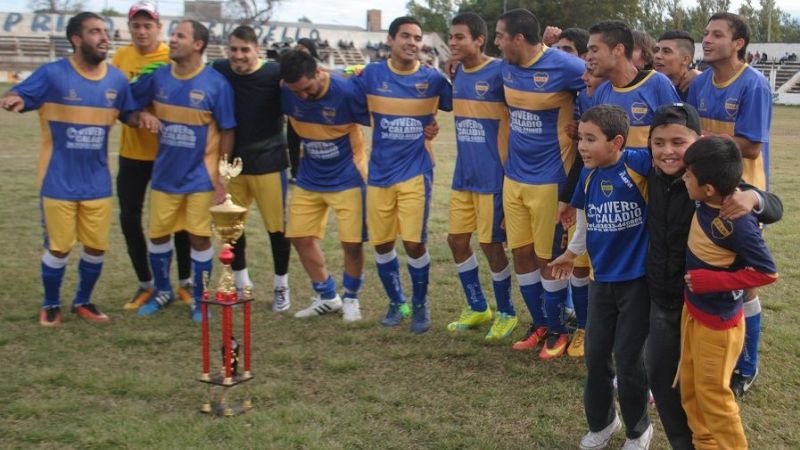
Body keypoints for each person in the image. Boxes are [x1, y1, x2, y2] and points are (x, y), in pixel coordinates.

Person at [0, 12, 159, 326]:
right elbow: (17, 94)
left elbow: (127, 113)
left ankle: (84, 301)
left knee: (96, 247)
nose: (104, 37)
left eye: (105, 31)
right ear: (76, 39)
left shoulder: (116, 80)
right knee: (58, 249)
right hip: (57, 179)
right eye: (95, 31)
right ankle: (51, 304)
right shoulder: (52, 74)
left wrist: (141, 117)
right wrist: (13, 99)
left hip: (97, 182)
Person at [645, 102, 782, 450]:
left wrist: (753, 197)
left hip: (711, 314)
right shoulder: (652, 170)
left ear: (698, 142)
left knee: (710, 392)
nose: (667, 151)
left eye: (679, 142)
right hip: (668, 301)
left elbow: (772, 208)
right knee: (671, 381)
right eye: (658, 142)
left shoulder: (717, 188)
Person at [549, 105, 653, 449]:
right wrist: (571, 253)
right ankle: (603, 423)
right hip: (600, 280)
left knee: (628, 358)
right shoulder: (587, 174)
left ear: (617, 142)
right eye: (581, 138)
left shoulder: (638, 164)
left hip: (636, 280)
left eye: (591, 139)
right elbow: (584, 220)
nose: (581, 146)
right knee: (595, 356)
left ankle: (639, 430)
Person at [686, 12, 773, 397]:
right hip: (704, 194)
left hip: (741, 196)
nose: (706, 40)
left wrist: (703, 137)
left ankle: (747, 364)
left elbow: (751, 146)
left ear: (738, 43)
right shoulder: (699, 83)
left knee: (744, 284)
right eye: (705, 33)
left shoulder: (754, 85)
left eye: (716, 34)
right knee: (705, 271)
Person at [350, 16, 452, 333]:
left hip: (416, 171)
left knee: (414, 243)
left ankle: (420, 305)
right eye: (405, 36)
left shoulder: (433, 80)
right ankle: (397, 302)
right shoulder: (371, 75)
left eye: (417, 38)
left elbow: (465, 102)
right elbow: (343, 93)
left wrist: (433, 127)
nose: (412, 42)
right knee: (381, 243)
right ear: (390, 40)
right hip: (379, 173)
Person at [494, 8, 585, 358]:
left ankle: (559, 330)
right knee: (521, 252)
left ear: (518, 38)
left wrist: (582, 123)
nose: (496, 42)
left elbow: (599, 87)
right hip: (514, 178)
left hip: (551, 180)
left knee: (549, 258)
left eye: (500, 36)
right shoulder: (505, 67)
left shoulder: (566, 66)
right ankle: (541, 323)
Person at [131, 20, 236, 322]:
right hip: (164, 175)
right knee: (158, 236)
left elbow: (228, 130)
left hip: (201, 178)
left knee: (199, 238)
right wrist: (142, 115)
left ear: (198, 44)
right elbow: (127, 103)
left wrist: (223, 176)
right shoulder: (158, 77)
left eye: (180, 36)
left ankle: (200, 299)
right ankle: (163, 291)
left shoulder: (216, 84)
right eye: (172, 34)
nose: (172, 40)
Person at [680, 136, 778, 449]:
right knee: (690, 386)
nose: (684, 178)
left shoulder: (738, 220)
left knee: (714, 396)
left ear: (708, 188)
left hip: (718, 324)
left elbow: (767, 272)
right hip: (692, 310)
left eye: (688, 175)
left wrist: (714, 281)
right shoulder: (705, 198)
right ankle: (705, 443)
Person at [112, 1, 195, 311]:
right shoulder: (120, 58)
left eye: (148, 26)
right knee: (130, 218)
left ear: (159, 28)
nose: (142, 31)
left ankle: (185, 282)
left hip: (169, 155)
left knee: (179, 220)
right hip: (132, 153)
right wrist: (137, 115)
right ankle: (146, 283)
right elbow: (117, 101)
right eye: (136, 25)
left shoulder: (170, 56)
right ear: (129, 28)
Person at [443, 12, 516, 339]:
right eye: (451, 37)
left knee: (491, 244)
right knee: (456, 240)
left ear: (479, 40)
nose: (453, 42)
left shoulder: (500, 71)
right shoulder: (456, 71)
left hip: (492, 176)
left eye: (460, 37)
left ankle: (507, 312)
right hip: (463, 175)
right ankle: (477, 307)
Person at [280, 50, 367, 322]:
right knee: (300, 237)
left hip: (348, 177)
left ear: (319, 73)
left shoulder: (346, 91)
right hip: (309, 178)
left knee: (352, 243)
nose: (302, 96)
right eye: (296, 92)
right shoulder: (286, 90)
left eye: (306, 89)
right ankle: (327, 296)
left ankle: (351, 298)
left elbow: (381, 115)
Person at [211, 25, 292, 311]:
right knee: (232, 229)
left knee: (277, 229)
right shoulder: (220, 69)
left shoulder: (274, 73)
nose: (238, 55)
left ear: (257, 49)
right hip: (234, 166)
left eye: (245, 50)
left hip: (269, 163)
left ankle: (281, 286)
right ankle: (241, 282)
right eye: (233, 49)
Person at [587, 20, 680, 152]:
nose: (588, 57)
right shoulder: (602, 91)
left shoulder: (657, 83)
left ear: (618, 50)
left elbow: (678, 136)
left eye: (594, 50)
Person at [654, 30, 702, 101]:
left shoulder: (701, 88)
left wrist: (703, 77)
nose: (657, 56)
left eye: (666, 51)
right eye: (656, 50)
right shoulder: (648, 85)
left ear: (685, 60)